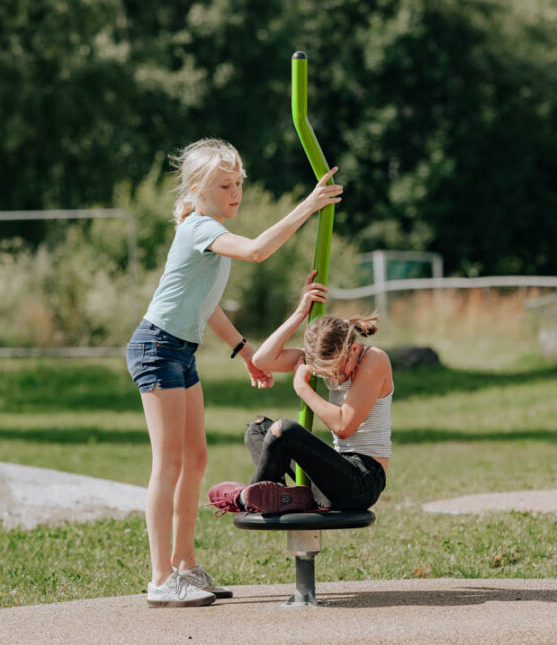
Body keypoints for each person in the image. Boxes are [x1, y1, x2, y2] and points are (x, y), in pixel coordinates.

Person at [127, 138, 342, 608]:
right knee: (168, 464)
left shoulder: (211, 234)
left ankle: (185, 566)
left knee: (195, 458)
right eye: (225, 185)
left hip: (180, 352)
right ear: (197, 190)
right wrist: (308, 205)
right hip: (157, 348)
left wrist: (245, 351)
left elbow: (207, 307)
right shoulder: (199, 228)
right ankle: (161, 579)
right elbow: (258, 251)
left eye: (238, 184)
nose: (235, 193)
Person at [208, 270, 392, 516]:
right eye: (326, 373)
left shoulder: (374, 360)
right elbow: (262, 360)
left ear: (355, 349)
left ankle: (245, 498)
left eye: (339, 369)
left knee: (285, 431)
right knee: (259, 429)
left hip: (361, 481)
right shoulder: (326, 358)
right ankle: (279, 495)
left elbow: (344, 425)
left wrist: (302, 388)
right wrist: (300, 312)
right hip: (331, 479)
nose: (336, 377)